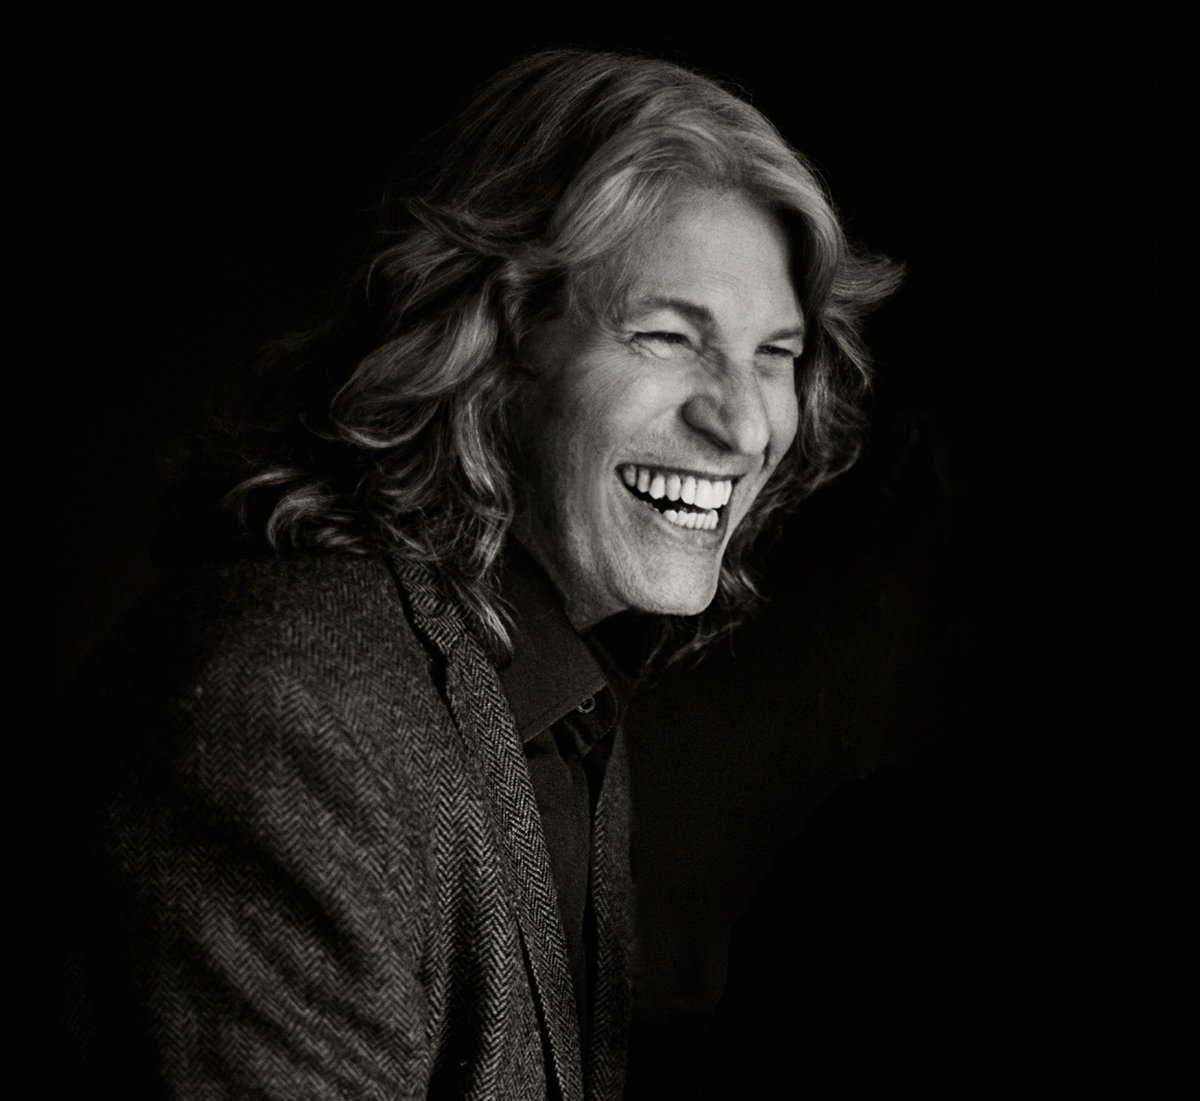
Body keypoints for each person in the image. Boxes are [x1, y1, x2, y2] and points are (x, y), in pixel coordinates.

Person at [58, 48, 899, 1099]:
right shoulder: (285, 710)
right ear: (489, 343)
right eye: (666, 337)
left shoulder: (552, 682)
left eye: (774, 353)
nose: (742, 425)